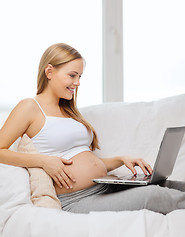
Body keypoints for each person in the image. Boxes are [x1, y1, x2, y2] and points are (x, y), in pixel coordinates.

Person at [0, 43, 185, 214]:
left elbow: (83, 160)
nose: (78, 82)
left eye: (79, 76)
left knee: (171, 185)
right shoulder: (30, 107)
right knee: (154, 196)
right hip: (77, 199)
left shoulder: (69, 111)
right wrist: (43, 161)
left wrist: (121, 159)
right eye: (72, 75)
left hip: (105, 185)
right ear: (49, 72)